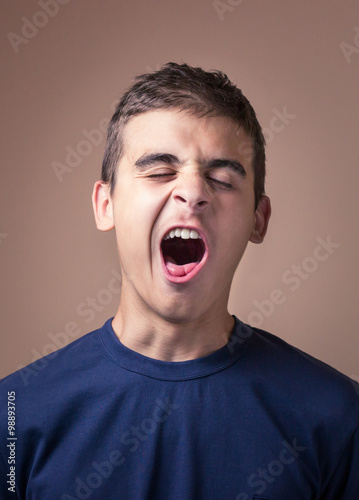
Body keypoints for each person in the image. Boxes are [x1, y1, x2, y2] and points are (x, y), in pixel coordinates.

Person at [0, 62, 358, 500]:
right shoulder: (13, 414)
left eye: (222, 178)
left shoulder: (339, 418)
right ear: (105, 205)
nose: (193, 192)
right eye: (159, 171)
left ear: (257, 220)